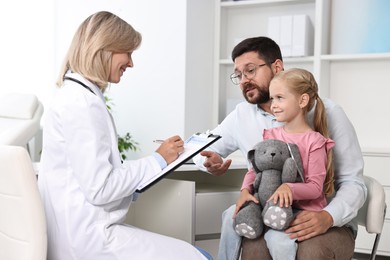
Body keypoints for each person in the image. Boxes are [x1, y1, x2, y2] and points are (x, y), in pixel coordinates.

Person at [38, 11, 210, 260]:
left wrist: (146, 176)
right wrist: (158, 160)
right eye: (127, 53)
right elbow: (100, 189)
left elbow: (91, 180)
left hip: (82, 231)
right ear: (104, 49)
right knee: (201, 256)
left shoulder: (77, 96)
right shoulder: (82, 103)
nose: (131, 63)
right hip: (89, 238)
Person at [193, 36, 366, 260]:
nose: (244, 80)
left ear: (277, 67)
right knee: (254, 247)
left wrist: (328, 216)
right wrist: (208, 162)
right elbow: (201, 149)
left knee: (309, 251)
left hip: (324, 219)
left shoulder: (329, 113)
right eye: (239, 75)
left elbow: (353, 182)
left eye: (251, 70)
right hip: (270, 214)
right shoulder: (241, 116)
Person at [234, 68, 335, 260]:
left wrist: (288, 187)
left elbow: (315, 188)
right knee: (230, 219)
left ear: (302, 101)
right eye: (272, 99)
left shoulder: (315, 141)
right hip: (269, 206)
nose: (273, 105)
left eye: (280, 98)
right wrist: (245, 190)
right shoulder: (271, 135)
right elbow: (255, 169)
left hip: (302, 211)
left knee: (277, 240)